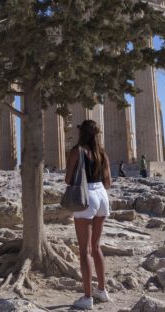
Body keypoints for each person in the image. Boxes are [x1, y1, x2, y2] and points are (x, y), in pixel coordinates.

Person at [65, 120, 112, 310]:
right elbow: (109, 181)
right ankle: (102, 290)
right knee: (97, 247)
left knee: (84, 251)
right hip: (102, 195)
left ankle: (87, 297)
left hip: (86, 196)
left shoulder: (78, 150)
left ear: (81, 132)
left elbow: (68, 179)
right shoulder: (102, 153)